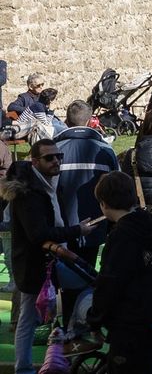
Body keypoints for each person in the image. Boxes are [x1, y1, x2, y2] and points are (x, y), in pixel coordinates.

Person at [3, 139, 97, 374]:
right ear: (35, 162)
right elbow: (38, 234)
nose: (56, 161)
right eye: (49, 157)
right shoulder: (30, 193)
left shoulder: (45, 184)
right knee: (28, 316)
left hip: (48, 260)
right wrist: (78, 230)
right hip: (37, 263)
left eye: (58, 156)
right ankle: (26, 366)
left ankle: (61, 342)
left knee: (31, 315)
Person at [87, 171, 152, 374]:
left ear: (103, 204)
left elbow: (110, 281)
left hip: (131, 323)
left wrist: (95, 319)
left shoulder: (122, 235)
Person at [55, 100, 120, 226]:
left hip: (61, 225)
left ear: (66, 122)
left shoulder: (54, 150)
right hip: (97, 223)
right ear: (90, 122)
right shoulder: (105, 150)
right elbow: (117, 186)